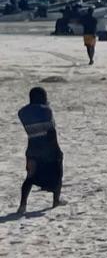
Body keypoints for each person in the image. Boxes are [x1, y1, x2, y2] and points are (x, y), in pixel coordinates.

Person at [15, 86, 62, 215]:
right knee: (57, 173)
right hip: (48, 148)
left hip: (32, 148)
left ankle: (22, 205)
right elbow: (51, 132)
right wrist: (57, 151)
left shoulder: (22, 112)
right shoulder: (46, 110)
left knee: (30, 177)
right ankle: (56, 201)